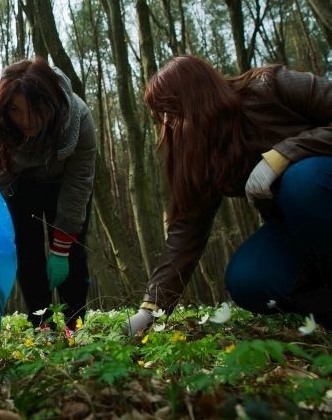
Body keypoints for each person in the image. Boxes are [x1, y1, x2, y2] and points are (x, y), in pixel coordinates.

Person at [126, 55, 332, 335]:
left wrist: (284, 155)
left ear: (197, 97)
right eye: (162, 115)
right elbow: (186, 231)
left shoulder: (270, 85)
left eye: (172, 111)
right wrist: (150, 308)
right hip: (294, 229)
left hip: (320, 188)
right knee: (247, 277)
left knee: (302, 182)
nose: (168, 123)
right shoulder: (203, 153)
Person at [0, 57, 96, 332]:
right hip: (19, 185)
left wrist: (62, 245)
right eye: (17, 110)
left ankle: (75, 323)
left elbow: (79, 182)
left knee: (72, 255)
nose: (26, 120)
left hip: (65, 185)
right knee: (26, 253)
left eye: (34, 110)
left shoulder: (79, 120)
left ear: (51, 103)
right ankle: (41, 324)